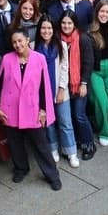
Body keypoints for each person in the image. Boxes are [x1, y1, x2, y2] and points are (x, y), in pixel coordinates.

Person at [0, 30, 61, 188]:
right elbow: (0, 83)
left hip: (32, 107)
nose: (17, 45)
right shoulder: (7, 59)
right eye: (14, 42)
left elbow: (45, 86)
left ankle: (53, 175)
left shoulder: (39, 59)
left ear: (27, 40)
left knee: (41, 145)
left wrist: (43, 109)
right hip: (10, 109)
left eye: (20, 41)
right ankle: (21, 168)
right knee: (14, 142)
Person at [34, 16, 79, 166]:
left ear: (54, 30)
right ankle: (53, 148)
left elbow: (65, 69)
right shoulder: (33, 47)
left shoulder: (61, 45)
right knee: (48, 123)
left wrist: (61, 89)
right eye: (43, 28)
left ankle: (71, 152)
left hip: (60, 90)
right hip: (42, 93)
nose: (46, 31)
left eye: (49, 28)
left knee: (66, 122)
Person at [57, 11, 96, 160]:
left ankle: (89, 143)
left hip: (79, 83)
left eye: (69, 23)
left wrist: (84, 83)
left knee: (79, 115)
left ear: (74, 24)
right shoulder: (57, 39)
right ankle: (77, 140)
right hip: (63, 85)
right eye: (63, 23)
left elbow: (88, 62)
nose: (66, 26)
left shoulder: (82, 39)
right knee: (70, 116)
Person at [87, 2, 108, 147]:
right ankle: (104, 132)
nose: (104, 14)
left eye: (107, 12)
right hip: (96, 71)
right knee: (102, 103)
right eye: (102, 11)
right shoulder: (90, 32)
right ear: (97, 13)